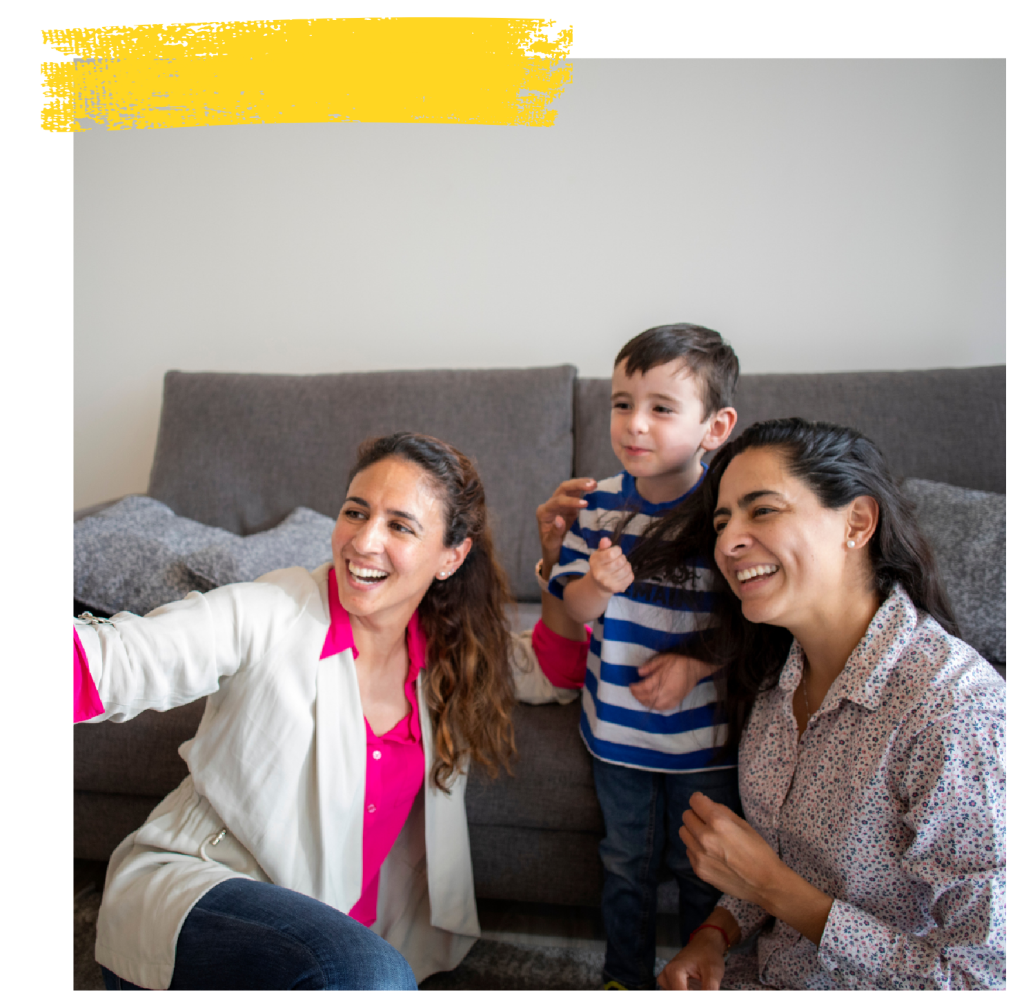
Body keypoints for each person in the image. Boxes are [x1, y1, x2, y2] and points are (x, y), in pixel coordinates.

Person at [73, 432, 586, 991]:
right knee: (371, 974)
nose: (364, 542)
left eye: (400, 526)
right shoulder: (272, 610)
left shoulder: (450, 648)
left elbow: (553, 671)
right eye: (355, 512)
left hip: (329, 938)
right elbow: (116, 662)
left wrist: (561, 567)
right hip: (194, 902)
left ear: (451, 556)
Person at [632, 418, 1007, 991]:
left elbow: (983, 975)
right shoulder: (779, 678)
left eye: (763, 510)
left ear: (856, 523)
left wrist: (772, 887)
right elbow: (778, 861)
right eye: (723, 522)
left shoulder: (953, 712)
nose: (727, 544)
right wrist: (713, 935)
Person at [543, 324, 743, 990]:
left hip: (705, 743)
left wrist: (697, 663)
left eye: (661, 407)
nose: (635, 423)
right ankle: (622, 976)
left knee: (699, 872)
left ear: (715, 427)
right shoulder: (598, 505)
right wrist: (596, 586)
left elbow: (756, 618)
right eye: (623, 403)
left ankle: (696, 973)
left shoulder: (725, 511)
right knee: (625, 865)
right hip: (617, 735)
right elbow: (573, 607)